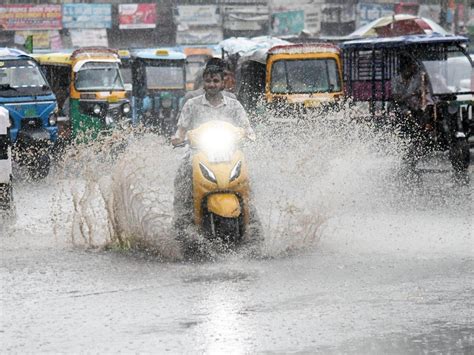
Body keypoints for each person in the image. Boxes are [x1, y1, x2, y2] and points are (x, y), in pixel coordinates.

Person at [171, 62, 255, 239]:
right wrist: (178, 138)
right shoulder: (192, 104)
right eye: (208, 81)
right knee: (183, 173)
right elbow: (181, 130)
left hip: (229, 151)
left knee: (248, 176)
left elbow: (247, 127)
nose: (212, 85)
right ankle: (182, 219)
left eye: (216, 81)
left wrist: (249, 135)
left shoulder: (233, 105)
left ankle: (253, 220)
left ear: (223, 82)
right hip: (197, 151)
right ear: (203, 82)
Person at [391, 55, 434, 168]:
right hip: (401, 108)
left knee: (427, 114)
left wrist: (416, 95)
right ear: (405, 68)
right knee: (407, 117)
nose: (413, 69)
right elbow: (397, 98)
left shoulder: (416, 78)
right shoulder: (396, 80)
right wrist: (411, 95)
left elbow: (422, 91)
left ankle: (424, 136)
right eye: (411, 67)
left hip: (416, 107)